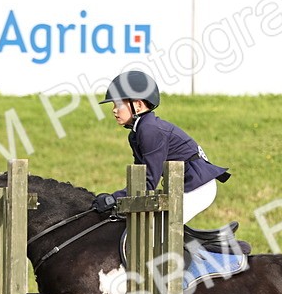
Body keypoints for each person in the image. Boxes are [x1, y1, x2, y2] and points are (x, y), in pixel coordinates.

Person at [94, 70, 229, 224]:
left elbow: (148, 183)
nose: (114, 110)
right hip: (182, 185)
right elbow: (139, 178)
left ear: (138, 105)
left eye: (119, 104)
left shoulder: (150, 130)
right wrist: (117, 199)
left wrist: (114, 198)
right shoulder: (136, 133)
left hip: (197, 188)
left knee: (163, 228)